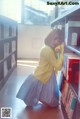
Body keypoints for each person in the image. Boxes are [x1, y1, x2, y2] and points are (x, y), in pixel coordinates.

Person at [16, 28, 65, 108]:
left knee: (40, 96)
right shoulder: (48, 50)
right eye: (55, 39)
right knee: (49, 101)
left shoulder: (47, 48)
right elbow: (58, 66)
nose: (56, 42)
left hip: (44, 74)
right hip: (43, 75)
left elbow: (55, 60)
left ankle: (42, 99)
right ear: (50, 37)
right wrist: (62, 50)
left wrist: (58, 51)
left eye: (58, 40)